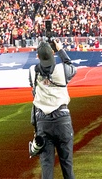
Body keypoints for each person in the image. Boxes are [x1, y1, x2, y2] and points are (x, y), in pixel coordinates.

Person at [28, 38, 76, 179]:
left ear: (38, 56)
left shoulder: (32, 71)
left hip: (43, 121)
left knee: (47, 167)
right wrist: (60, 50)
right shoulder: (62, 70)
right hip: (62, 120)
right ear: (52, 53)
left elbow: (34, 90)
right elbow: (71, 67)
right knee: (67, 165)